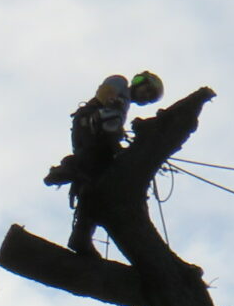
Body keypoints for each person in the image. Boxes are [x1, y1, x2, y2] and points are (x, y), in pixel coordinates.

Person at [44, 71, 167, 255]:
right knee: (98, 160)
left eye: (150, 97)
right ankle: (70, 168)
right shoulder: (120, 83)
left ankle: (82, 234)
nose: (146, 96)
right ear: (139, 82)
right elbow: (105, 95)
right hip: (91, 124)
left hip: (94, 132)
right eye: (147, 91)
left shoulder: (123, 106)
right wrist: (111, 108)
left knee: (97, 183)